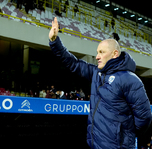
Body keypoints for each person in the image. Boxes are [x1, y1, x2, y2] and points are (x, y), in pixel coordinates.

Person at [48, 17, 152, 149]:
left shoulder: (130, 79)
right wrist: (54, 42)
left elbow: (144, 118)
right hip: (95, 145)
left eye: (101, 52)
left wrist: (124, 135)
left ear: (114, 54)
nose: (97, 56)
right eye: (97, 52)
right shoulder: (97, 74)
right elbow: (73, 64)